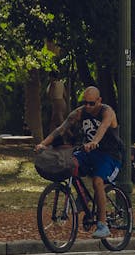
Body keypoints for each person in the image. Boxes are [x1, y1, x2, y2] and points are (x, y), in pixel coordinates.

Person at [33, 86, 123, 239]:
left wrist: (94, 142)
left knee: (97, 181)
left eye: (91, 103)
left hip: (110, 155)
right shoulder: (80, 112)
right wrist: (43, 144)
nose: (88, 106)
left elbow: (102, 128)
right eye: (85, 103)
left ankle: (103, 225)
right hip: (89, 152)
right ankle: (83, 197)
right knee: (69, 163)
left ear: (99, 101)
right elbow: (61, 129)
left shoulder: (107, 112)